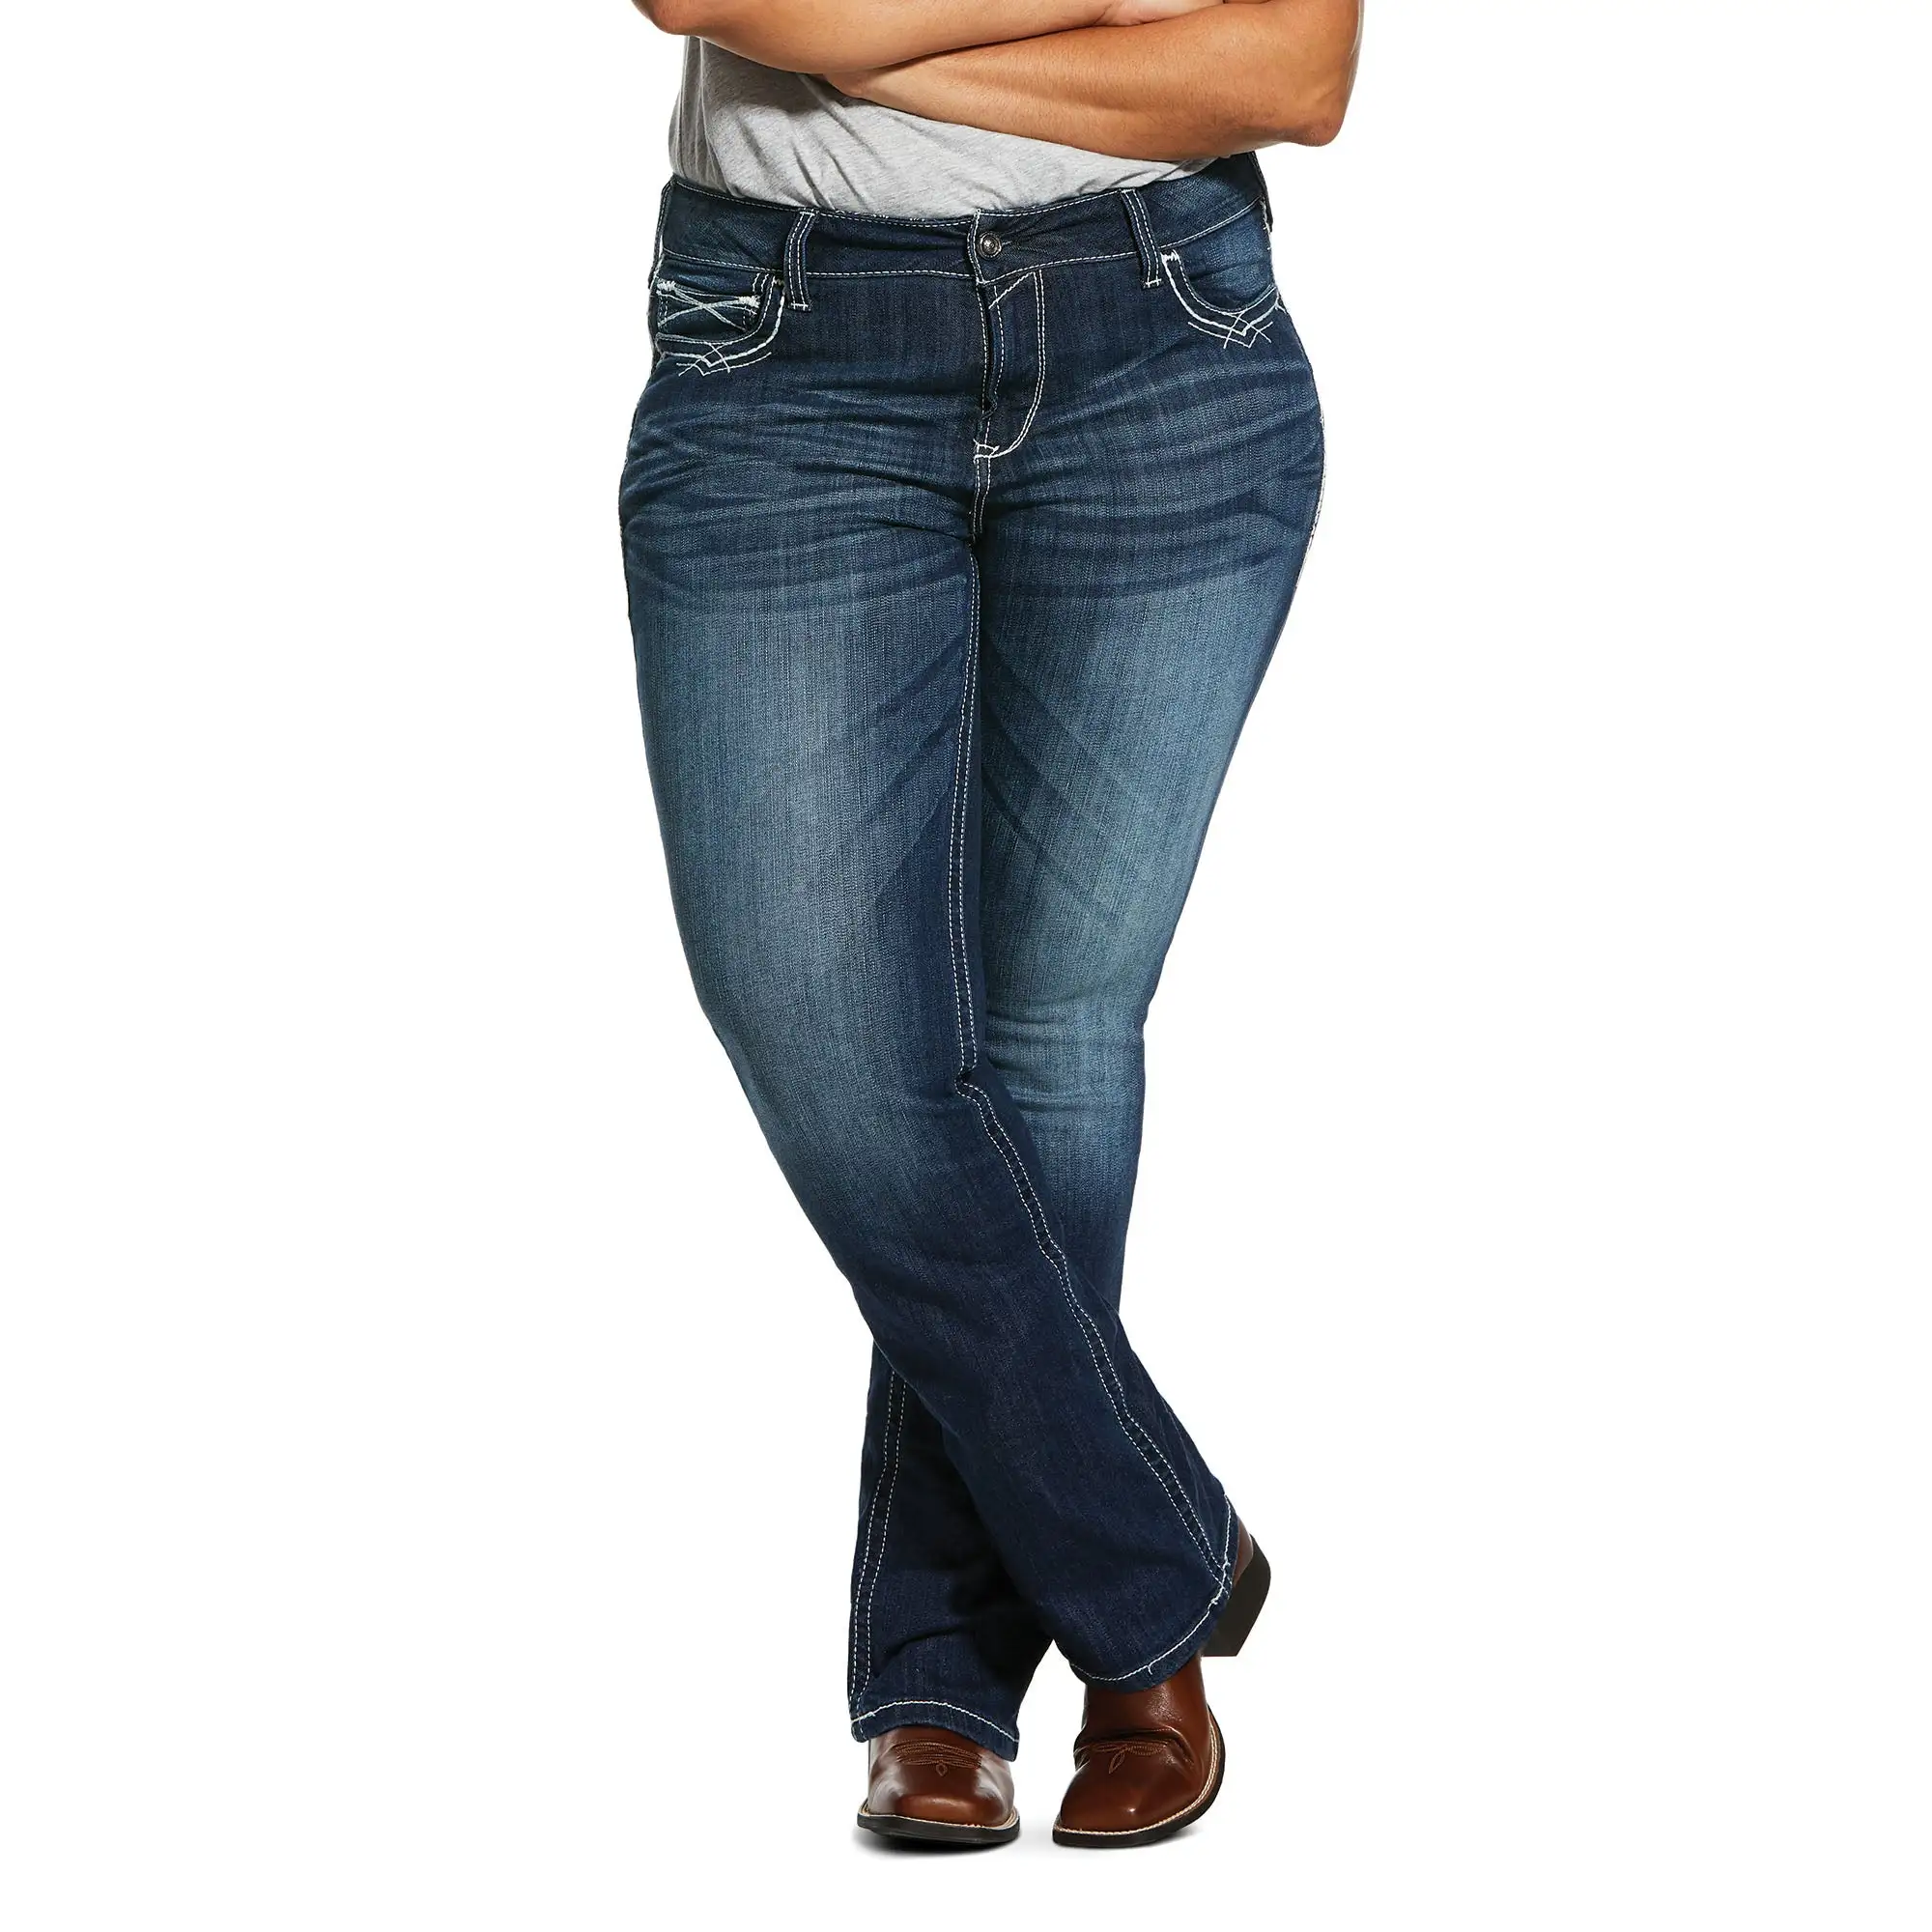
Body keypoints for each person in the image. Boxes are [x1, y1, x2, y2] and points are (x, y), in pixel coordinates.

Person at [618, 0, 1362, 1850]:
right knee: (823, 1028)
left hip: (1166, 343)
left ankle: (951, 1687)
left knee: (1049, 1042)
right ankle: (1155, 1559)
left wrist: (866, 43)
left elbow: (1294, 70)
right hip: (785, 354)